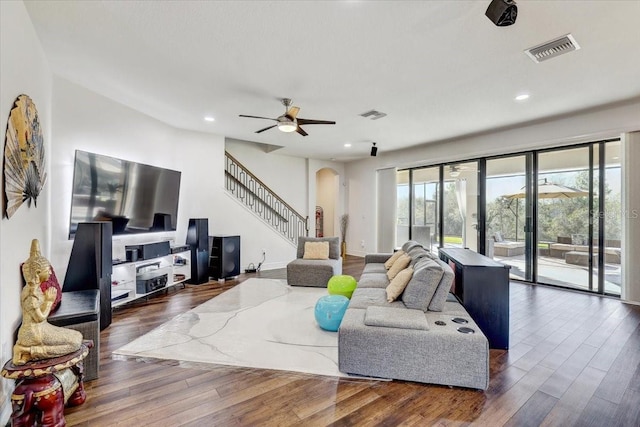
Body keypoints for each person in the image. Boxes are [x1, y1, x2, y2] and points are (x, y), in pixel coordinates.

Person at [12, 239, 82, 365]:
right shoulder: (31, 294)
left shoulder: (36, 288)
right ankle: (29, 351)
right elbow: (39, 318)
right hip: (33, 334)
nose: (50, 272)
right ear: (38, 273)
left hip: (41, 329)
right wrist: (49, 301)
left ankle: (29, 351)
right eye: (47, 269)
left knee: (77, 337)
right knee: (75, 342)